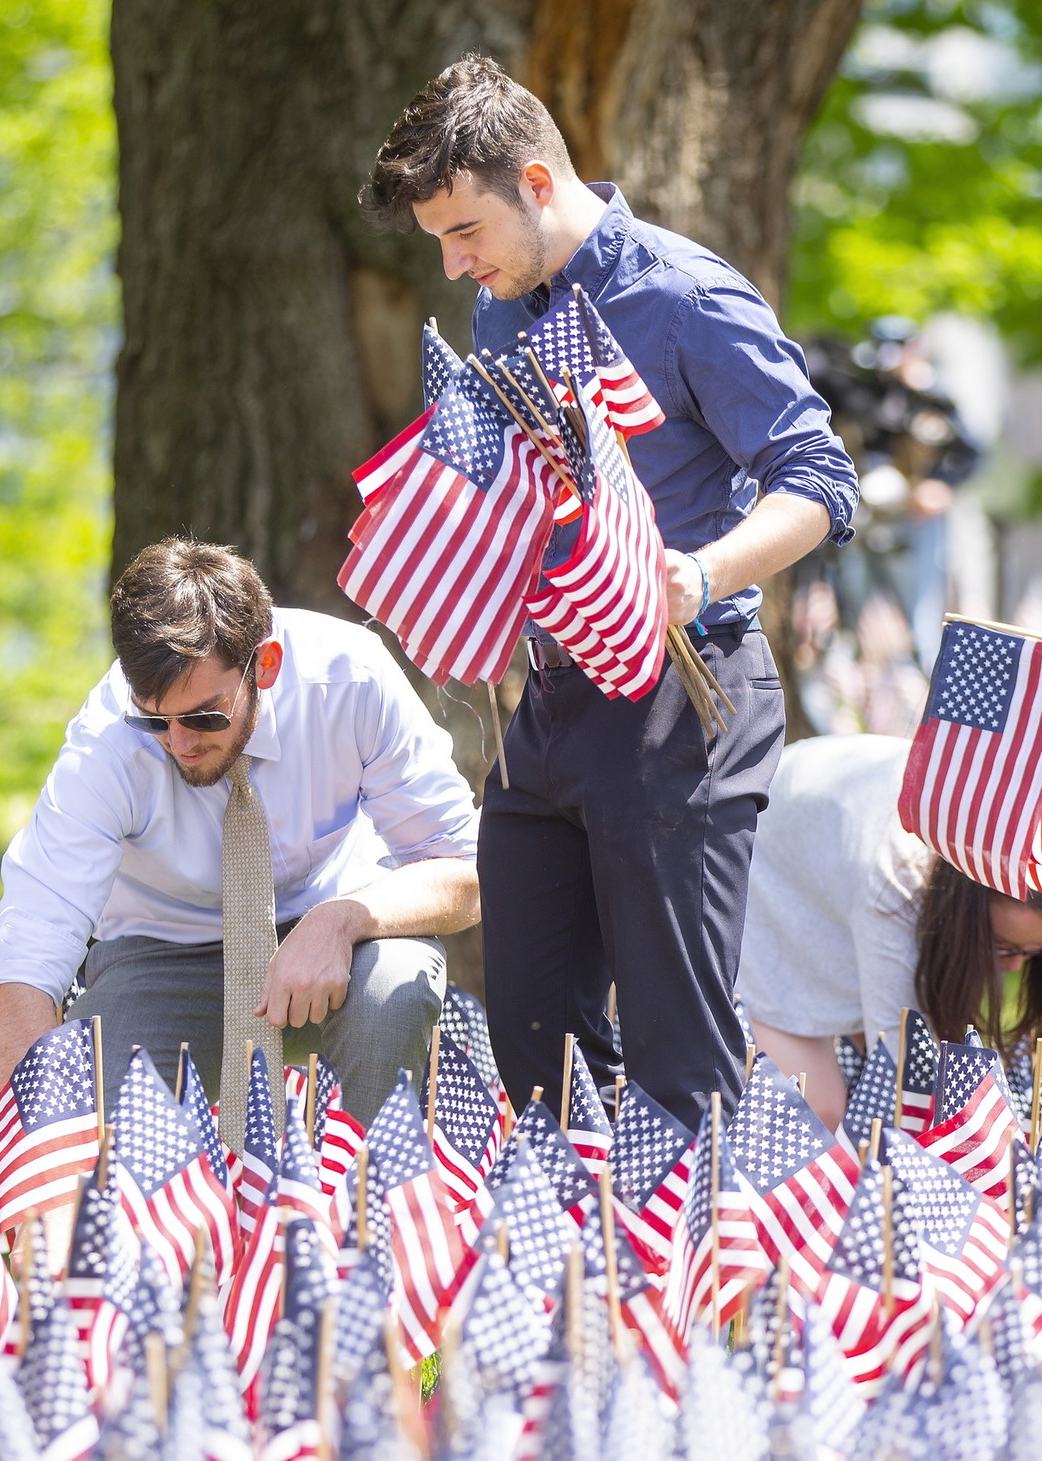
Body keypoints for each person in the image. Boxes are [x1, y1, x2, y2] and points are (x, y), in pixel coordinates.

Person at [361, 57, 859, 1128]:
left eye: (463, 233)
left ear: (537, 181)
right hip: (545, 711)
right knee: (536, 1053)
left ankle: (716, 1288)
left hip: (683, 694)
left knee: (682, 1057)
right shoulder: (505, 307)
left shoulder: (686, 297)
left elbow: (820, 482)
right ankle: (581, 1286)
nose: (453, 267)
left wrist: (700, 571)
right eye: (439, 241)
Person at [0, 538, 481, 1133]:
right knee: (99, 1128)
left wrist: (342, 919)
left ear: (264, 665)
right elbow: (30, 946)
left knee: (389, 994)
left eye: (204, 716)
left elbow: (466, 874)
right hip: (161, 954)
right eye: (154, 719)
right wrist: (40, 1154)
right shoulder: (106, 741)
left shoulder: (352, 680)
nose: (180, 742)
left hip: (342, 935)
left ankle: (367, 1210)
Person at [733, 734, 1042, 1129]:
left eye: (1037, 950)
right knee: (815, 1112)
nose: (1016, 966)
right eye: (1003, 947)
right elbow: (903, 1065)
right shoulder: (895, 884)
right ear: (963, 910)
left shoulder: (1029, 838)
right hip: (766, 859)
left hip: (837, 856)